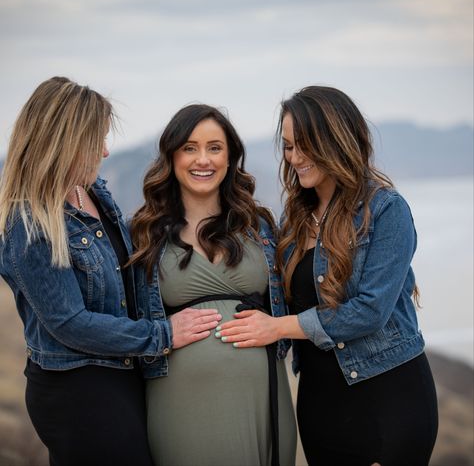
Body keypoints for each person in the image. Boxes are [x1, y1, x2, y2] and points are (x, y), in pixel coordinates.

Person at [0, 77, 221, 466]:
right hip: (77, 390)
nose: (104, 151)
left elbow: (125, 273)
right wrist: (164, 334)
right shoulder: (29, 222)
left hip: (118, 372)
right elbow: (71, 323)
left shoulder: (90, 191)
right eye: (95, 141)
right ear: (63, 143)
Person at [218, 86, 439, 466]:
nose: (295, 157)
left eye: (305, 144)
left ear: (336, 139)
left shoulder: (386, 211)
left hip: (386, 398)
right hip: (320, 404)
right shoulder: (293, 219)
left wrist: (277, 327)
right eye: (288, 146)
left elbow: (370, 311)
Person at [130, 104, 297, 466]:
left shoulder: (261, 226)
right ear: (172, 156)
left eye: (214, 148)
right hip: (179, 406)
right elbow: (119, 320)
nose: (202, 160)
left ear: (230, 157)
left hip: (262, 398)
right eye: (189, 147)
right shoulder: (144, 234)